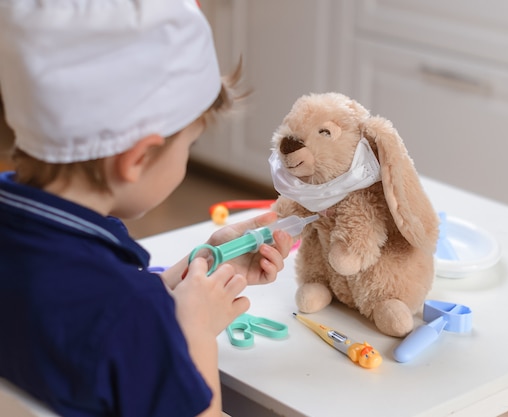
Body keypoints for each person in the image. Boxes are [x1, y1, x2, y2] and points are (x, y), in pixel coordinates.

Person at [0, 1, 292, 416]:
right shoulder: (130, 315)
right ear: (138, 159)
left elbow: (97, 307)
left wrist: (198, 266)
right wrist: (197, 334)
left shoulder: (102, 293)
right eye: (188, 145)